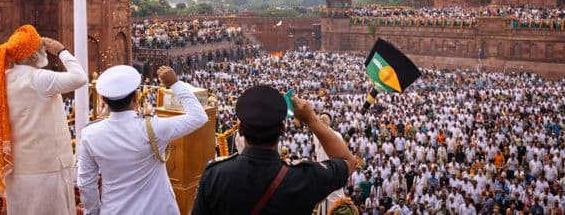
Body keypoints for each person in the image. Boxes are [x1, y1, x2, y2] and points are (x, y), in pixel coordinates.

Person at [192, 85, 357, 215]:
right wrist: (311, 119)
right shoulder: (304, 178)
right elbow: (348, 162)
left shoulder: (215, 175)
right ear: (283, 129)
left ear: (240, 129)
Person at [0, 24, 87, 215]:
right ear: (32, 56)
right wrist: (61, 51)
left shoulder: (4, 78)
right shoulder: (38, 79)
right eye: (40, 49)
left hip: (18, 168)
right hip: (46, 168)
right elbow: (80, 78)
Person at [77, 64, 208, 214]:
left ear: (104, 100)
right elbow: (199, 117)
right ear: (135, 97)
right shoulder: (153, 127)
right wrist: (174, 84)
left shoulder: (90, 134)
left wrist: (93, 212)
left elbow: (86, 182)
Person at [314, 112, 347, 215]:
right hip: (321, 174)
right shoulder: (316, 134)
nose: (322, 120)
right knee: (321, 205)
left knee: (337, 204)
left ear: (330, 122)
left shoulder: (337, 135)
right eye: (320, 119)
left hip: (334, 172)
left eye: (325, 119)